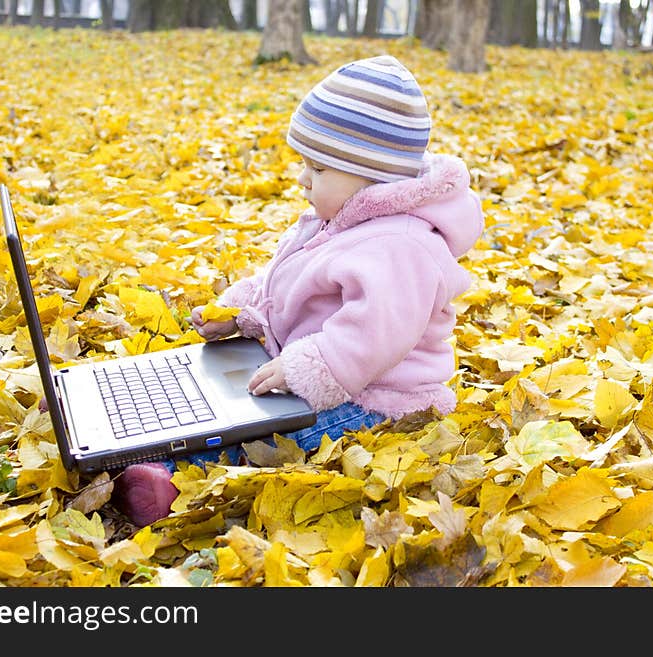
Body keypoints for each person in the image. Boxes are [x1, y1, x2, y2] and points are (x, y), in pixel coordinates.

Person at [115, 54, 485, 527]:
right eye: (305, 163)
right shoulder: (342, 218)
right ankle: (124, 428)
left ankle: (176, 479)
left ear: (373, 176)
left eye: (320, 169)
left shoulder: (400, 245)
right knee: (223, 394)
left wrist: (308, 367)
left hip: (379, 399)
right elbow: (288, 283)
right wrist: (241, 310)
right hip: (306, 370)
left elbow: (375, 336)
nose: (302, 179)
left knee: (283, 436)